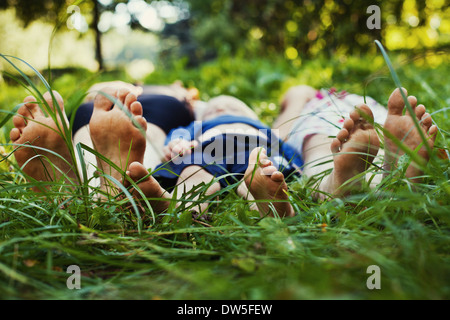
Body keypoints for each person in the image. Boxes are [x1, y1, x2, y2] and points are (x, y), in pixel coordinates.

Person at [9, 84, 438, 218]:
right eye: (217, 106)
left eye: (229, 105)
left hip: (256, 155)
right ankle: (129, 191)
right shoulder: (194, 124)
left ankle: (101, 192)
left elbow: (283, 139)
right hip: (231, 155)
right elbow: (178, 142)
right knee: (198, 176)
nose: (222, 105)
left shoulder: (250, 130)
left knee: (226, 173)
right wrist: (184, 139)